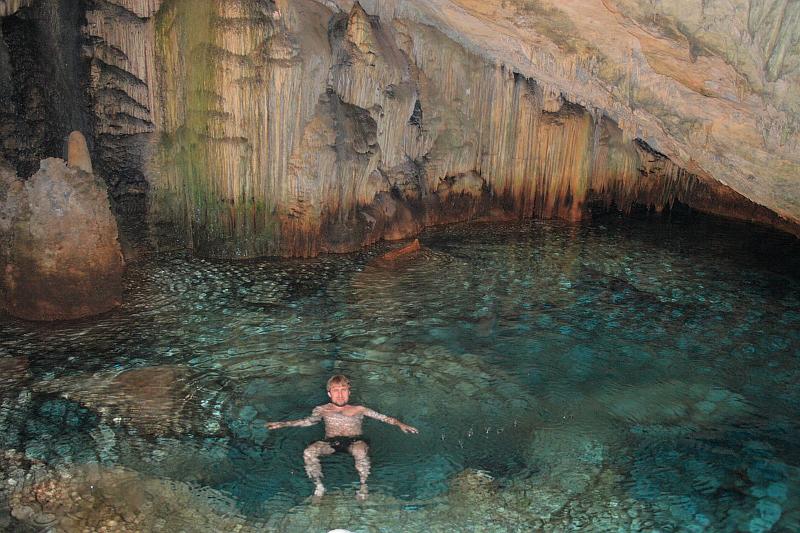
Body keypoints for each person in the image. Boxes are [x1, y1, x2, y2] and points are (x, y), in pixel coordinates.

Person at [266, 375, 419, 501]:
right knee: (309, 452)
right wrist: (282, 424)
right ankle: (319, 486)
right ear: (329, 393)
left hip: (354, 441)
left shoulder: (359, 409)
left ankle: (363, 486)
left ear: (349, 392)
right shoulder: (322, 410)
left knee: (360, 450)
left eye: (343, 390)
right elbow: (307, 422)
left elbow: (384, 418)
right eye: (336, 390)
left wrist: (400, 424)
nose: (340, 394)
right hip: (331, 442)